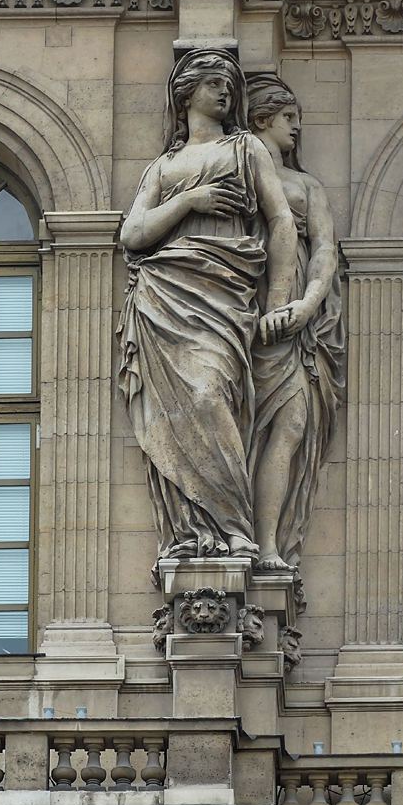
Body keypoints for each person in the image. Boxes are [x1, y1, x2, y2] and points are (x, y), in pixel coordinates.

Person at [117, 49, 297, 571]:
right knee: (176, 409)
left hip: (225, 293)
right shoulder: (163, 167)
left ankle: (234, 525)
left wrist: (277, 301)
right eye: (215, 83)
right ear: (186, 93)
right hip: (163, 293)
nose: (226, 93)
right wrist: (187, 203)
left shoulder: (245, 148)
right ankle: (199, 528)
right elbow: (132, 235)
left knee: (209, 392)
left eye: (230, 86)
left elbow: (281, 221)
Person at [247, 73, 345, 573]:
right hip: (242, 305)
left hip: (298, 322)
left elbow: (325, 248)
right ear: (262, 118)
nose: (297, 129)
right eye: (289, 119)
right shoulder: (235, 168)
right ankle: (233, 539)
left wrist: (306, 305)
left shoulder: (307, 186)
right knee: (240, 431)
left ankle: (268, 545)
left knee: (291, 426)